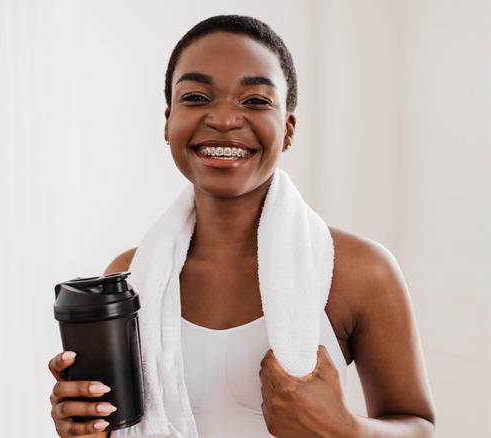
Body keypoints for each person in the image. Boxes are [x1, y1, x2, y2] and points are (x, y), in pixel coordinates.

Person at [48, 15, 435, 438]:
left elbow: (419, 426)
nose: (225, 119)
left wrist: (346, 430)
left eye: (255, 101)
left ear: (288, 129)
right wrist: (82, 425)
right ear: (168, 121)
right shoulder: (128, 279)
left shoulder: (361, 272)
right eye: (196, 97)